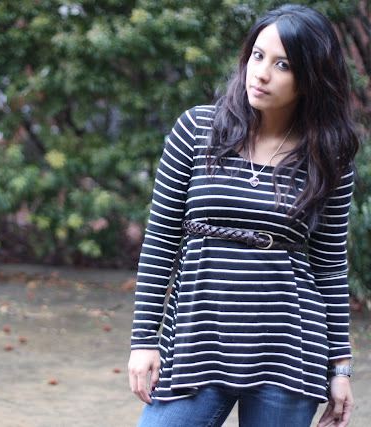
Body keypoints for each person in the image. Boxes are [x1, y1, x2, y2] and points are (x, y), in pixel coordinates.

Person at [127, 4, 360, 427]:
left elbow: (329, 266)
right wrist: (144, 340)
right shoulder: (197, 129)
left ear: (311, 77)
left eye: (282, 64)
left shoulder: (329, 156)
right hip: (196, 342)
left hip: (288, 352)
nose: (261, 73)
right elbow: (160, 239)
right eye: (258, 55)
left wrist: (340, 369)